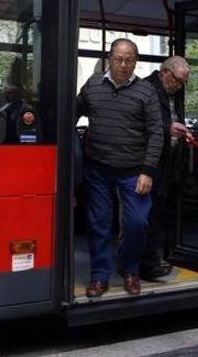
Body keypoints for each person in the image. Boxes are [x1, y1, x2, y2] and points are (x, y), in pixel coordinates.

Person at [76, 38, 163, 297]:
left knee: (136, 223)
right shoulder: (93, 85)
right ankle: (99, 276)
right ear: (110, 58)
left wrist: (148, 171)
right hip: (97, 169)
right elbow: (72, 111)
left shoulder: (146, 92)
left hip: (134, 171)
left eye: (129, 60)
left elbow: (156, 133)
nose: (123, 64)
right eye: (118, 59)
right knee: (98, 224)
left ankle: (129, 270)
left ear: (135, 62)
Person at [140, 56, 190, 281]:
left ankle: (155, 258)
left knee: (161, 214)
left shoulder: (175, 93)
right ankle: (148, 263)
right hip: (149, 163)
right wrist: (167, 128)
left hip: (169, 161)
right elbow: (138, 123)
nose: (179, 86)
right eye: (177, 81)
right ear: (164, 72)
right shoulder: (145, 88)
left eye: (183, 83)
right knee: (147, 215)